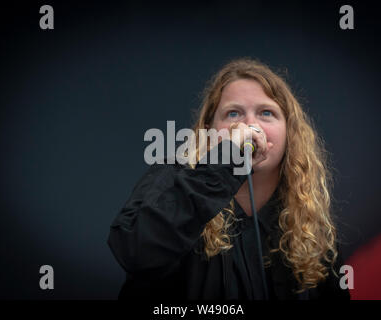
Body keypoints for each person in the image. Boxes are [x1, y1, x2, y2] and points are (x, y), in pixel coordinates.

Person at [107, 58, 350, 300]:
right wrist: (227, 159)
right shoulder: (172, 176)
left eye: (266, 113)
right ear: (209, 132)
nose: (249, 126)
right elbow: (135, 252)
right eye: (233, 114)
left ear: (290, 133)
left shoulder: (307, 221)